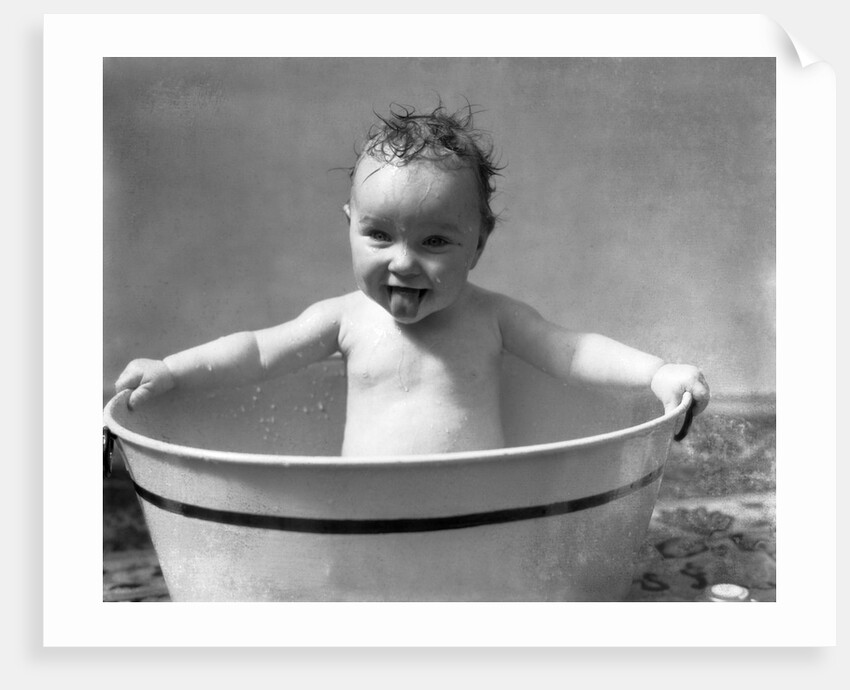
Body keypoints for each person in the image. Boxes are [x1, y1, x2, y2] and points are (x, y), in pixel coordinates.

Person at [115, 103, 710, 456]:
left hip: (483, 510)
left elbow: (574, 352)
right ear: (349, 226)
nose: (403, 262)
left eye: (435, 241)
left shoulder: (494, 318)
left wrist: (658, 372)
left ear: (477, 244)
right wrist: (170, 372)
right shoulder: (343, 319)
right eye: (379, 236)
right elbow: (255, 351)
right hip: (365, 516)